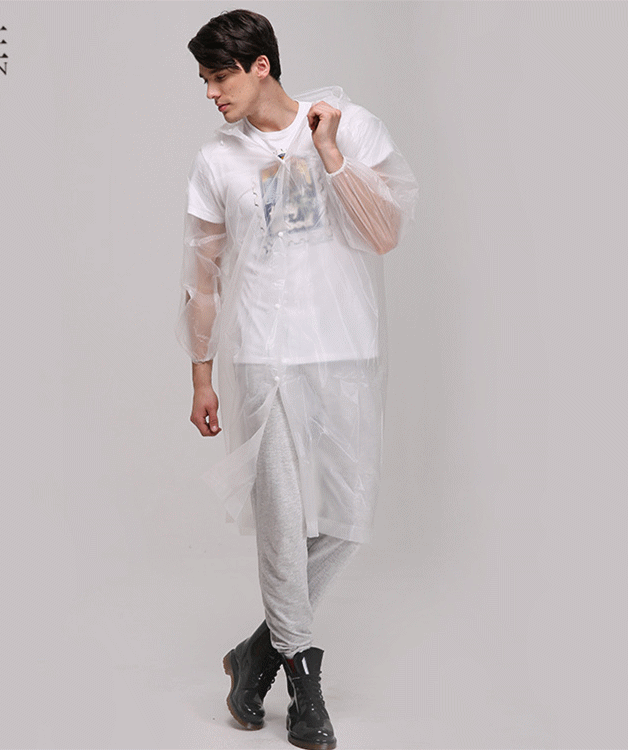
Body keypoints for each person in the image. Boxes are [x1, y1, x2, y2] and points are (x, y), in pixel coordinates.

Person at [176, 10, 418, 749]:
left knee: (347, 516)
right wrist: (201, 376)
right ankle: (305, 684)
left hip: (345, 347)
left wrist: (331, 153)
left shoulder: (349, 125)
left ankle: (256, 653)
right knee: (282, 522)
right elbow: (202, 279)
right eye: (203, 80)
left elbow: (385, 234)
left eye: (219, 76)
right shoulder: (217, 161)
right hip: (264, 353)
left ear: (261, 66)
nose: (211, 92)